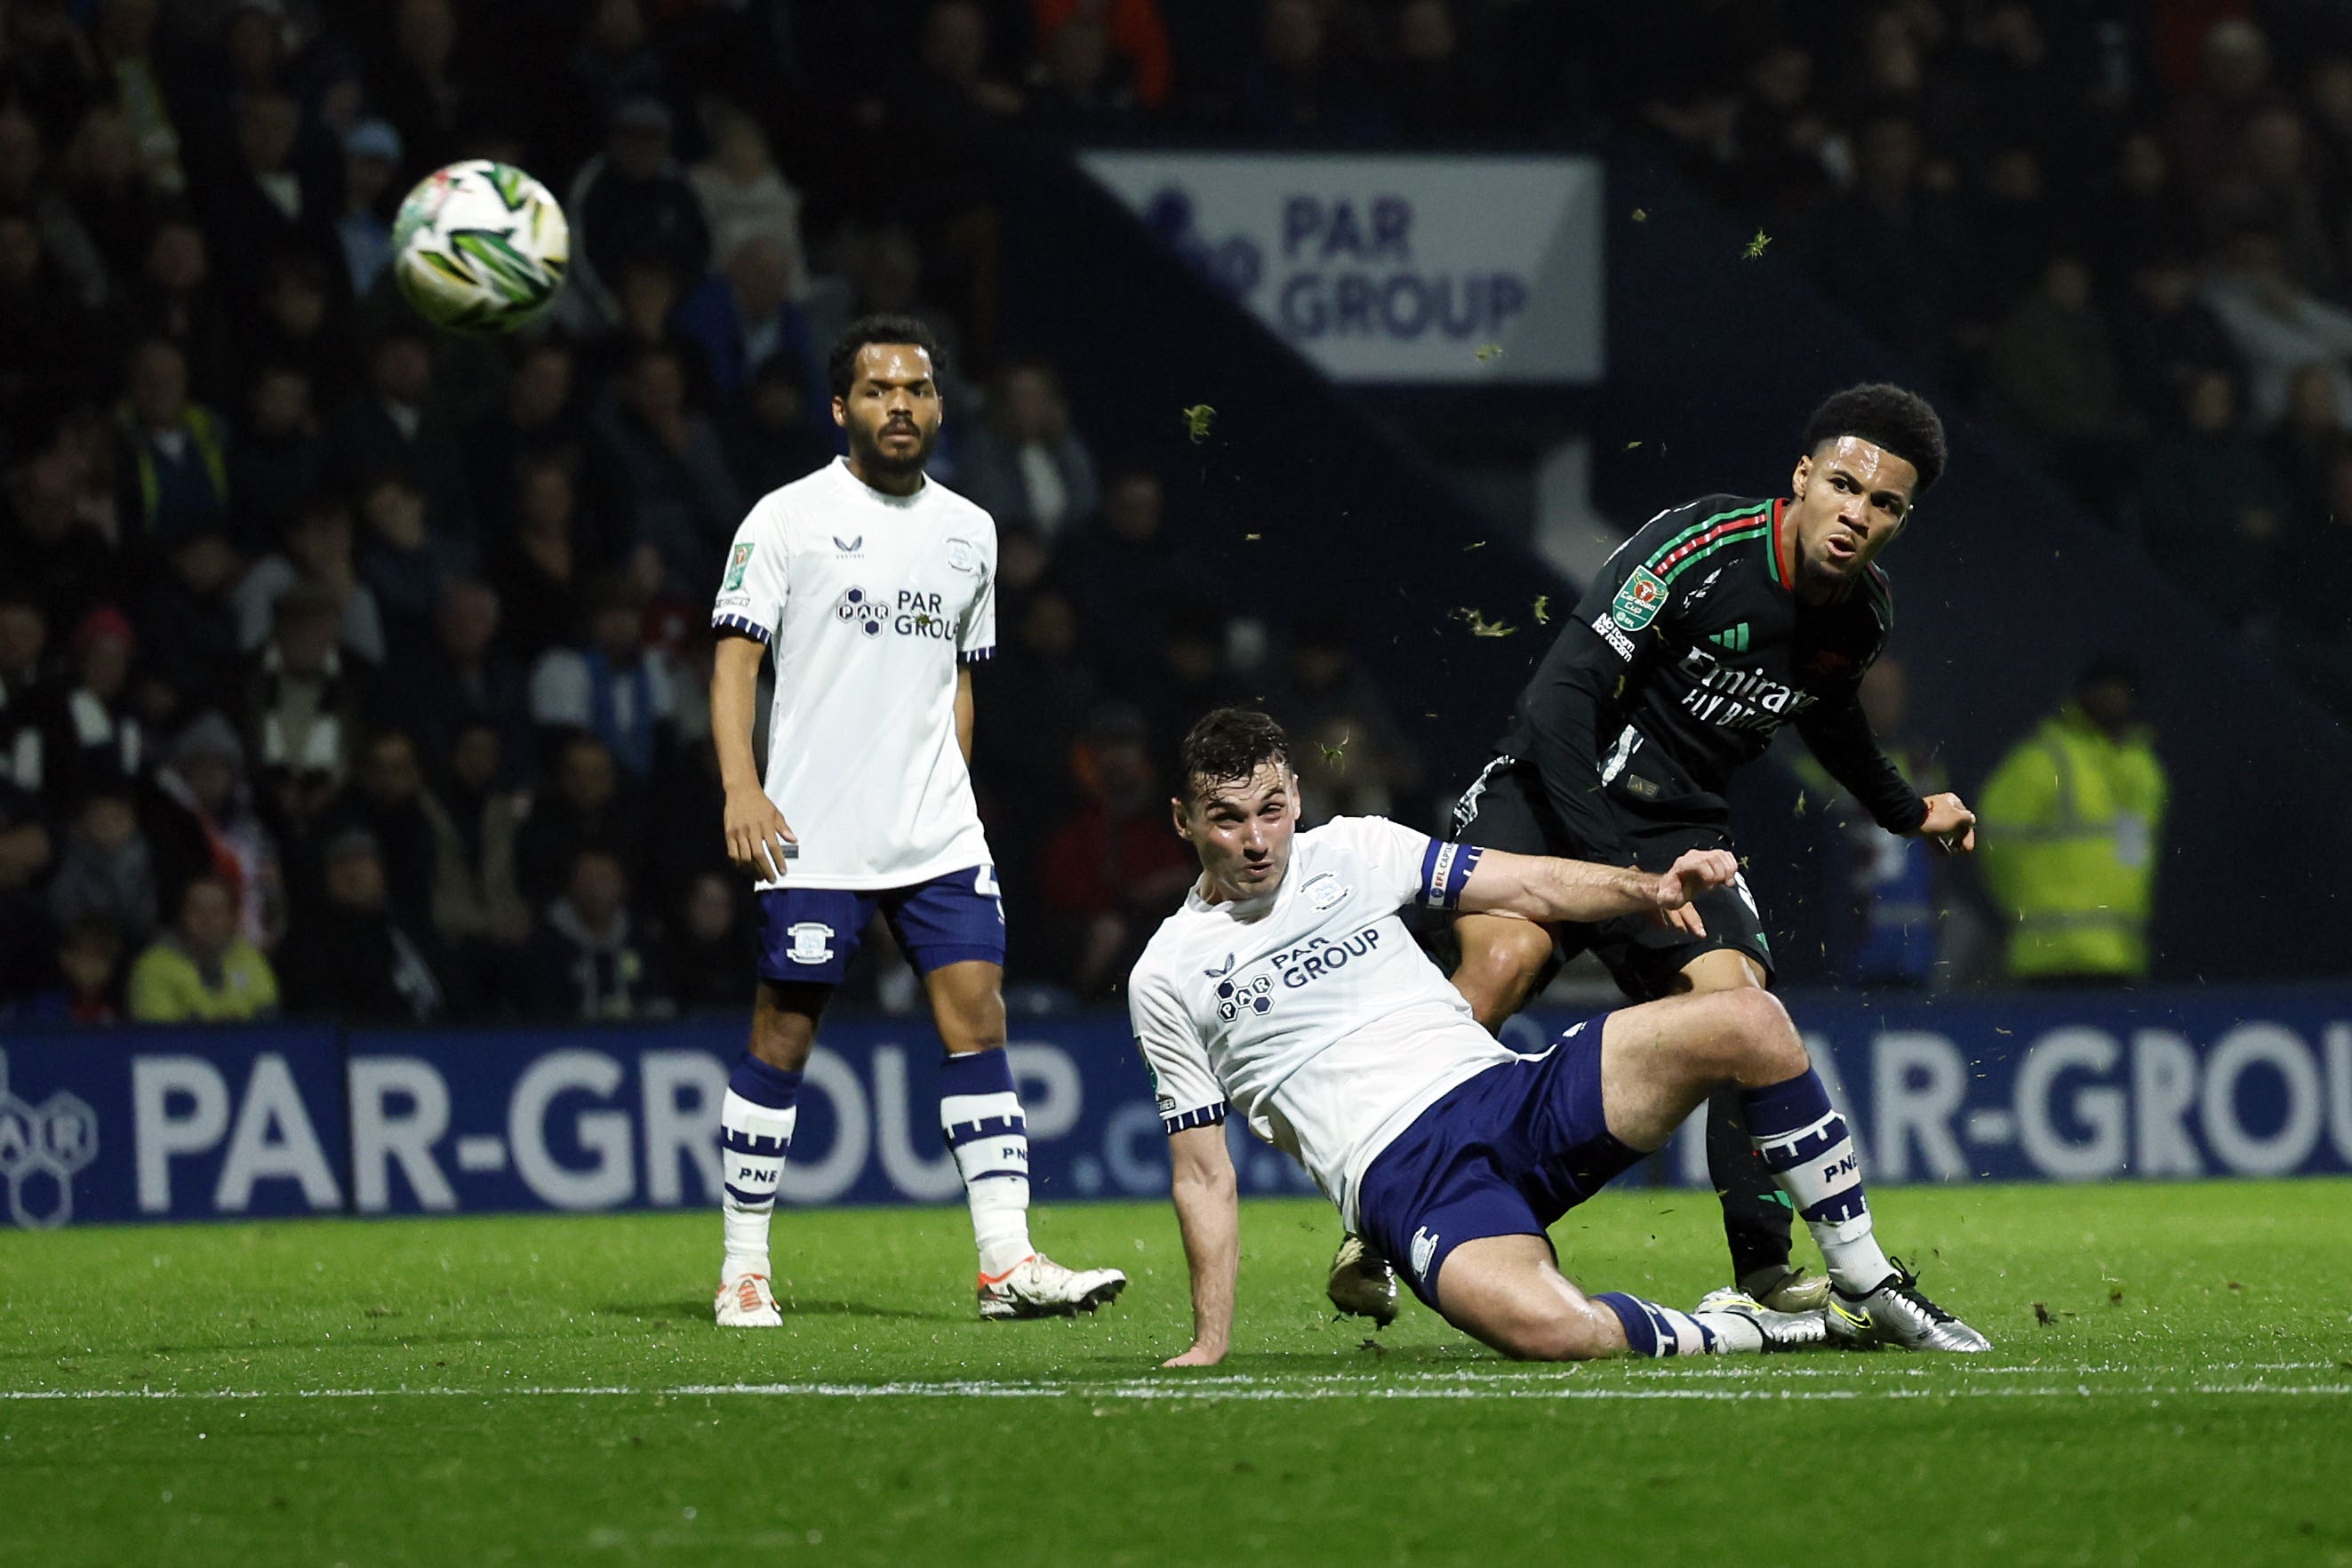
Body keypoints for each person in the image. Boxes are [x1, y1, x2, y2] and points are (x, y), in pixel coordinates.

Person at [1350, 385, 1980, 1324]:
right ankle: (1373, 1230)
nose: (1858, 514)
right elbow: (1562, 699)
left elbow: (1834, 717)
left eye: (1885, 504)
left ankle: (1765, 1274)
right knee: (1504, 962)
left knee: (1740, 1008)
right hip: (1549, 791)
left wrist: (1902, 809)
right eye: (1844, 485)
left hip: (1677, 826)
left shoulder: (1863, 616)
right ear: (1802, 477)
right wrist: (1620, 881)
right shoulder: (1693, 549)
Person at [1132, 708, 1988, 1365]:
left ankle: (1866, 1278)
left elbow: (1532, 884)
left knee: (1748, 1019)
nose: (1255, 840)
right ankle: (1755, 1330)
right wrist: (1211, 1341)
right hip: (1405, 1182)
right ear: (1183, 821)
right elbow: (1204, 1173)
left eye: (1271, 810)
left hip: (1503, 1096)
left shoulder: (1356, 851)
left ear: (1296, 798)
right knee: (1551, 1330)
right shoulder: (1167, 973)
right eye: (1227, 818)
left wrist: (1647, 889)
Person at [707, 313, 1125, 1326]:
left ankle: (1006, 1264)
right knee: (784, 1035)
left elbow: (959, 683)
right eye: (882, 390)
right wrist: (740, 786)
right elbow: (734, 662)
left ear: (939, 406)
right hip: (812, 833)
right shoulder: (785, 518)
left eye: (920, 390)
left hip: (937, 832)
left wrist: (957, 792)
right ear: (842, 406)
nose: (904, 405)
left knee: (980, 1021)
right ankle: (744, 1269)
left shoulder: (971, 530)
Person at [1976, 658, 2167, 985]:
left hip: (2122, 956)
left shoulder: (2143, 768)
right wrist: (2021, 909)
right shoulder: (2045, 760)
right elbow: (1994, 843)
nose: (2113, 699)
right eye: (2104, 689)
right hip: (2049, 957)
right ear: (2082, 694)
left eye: (2122, 691)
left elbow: (2137, 859)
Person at [126, 873, 277, 1022]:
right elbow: (159, 1035)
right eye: (197, 910)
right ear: (181, 915)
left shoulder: (248, 957)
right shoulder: (153, 966)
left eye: (216, 911)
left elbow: (268, 1017)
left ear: (232, 918)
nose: (207, 919)